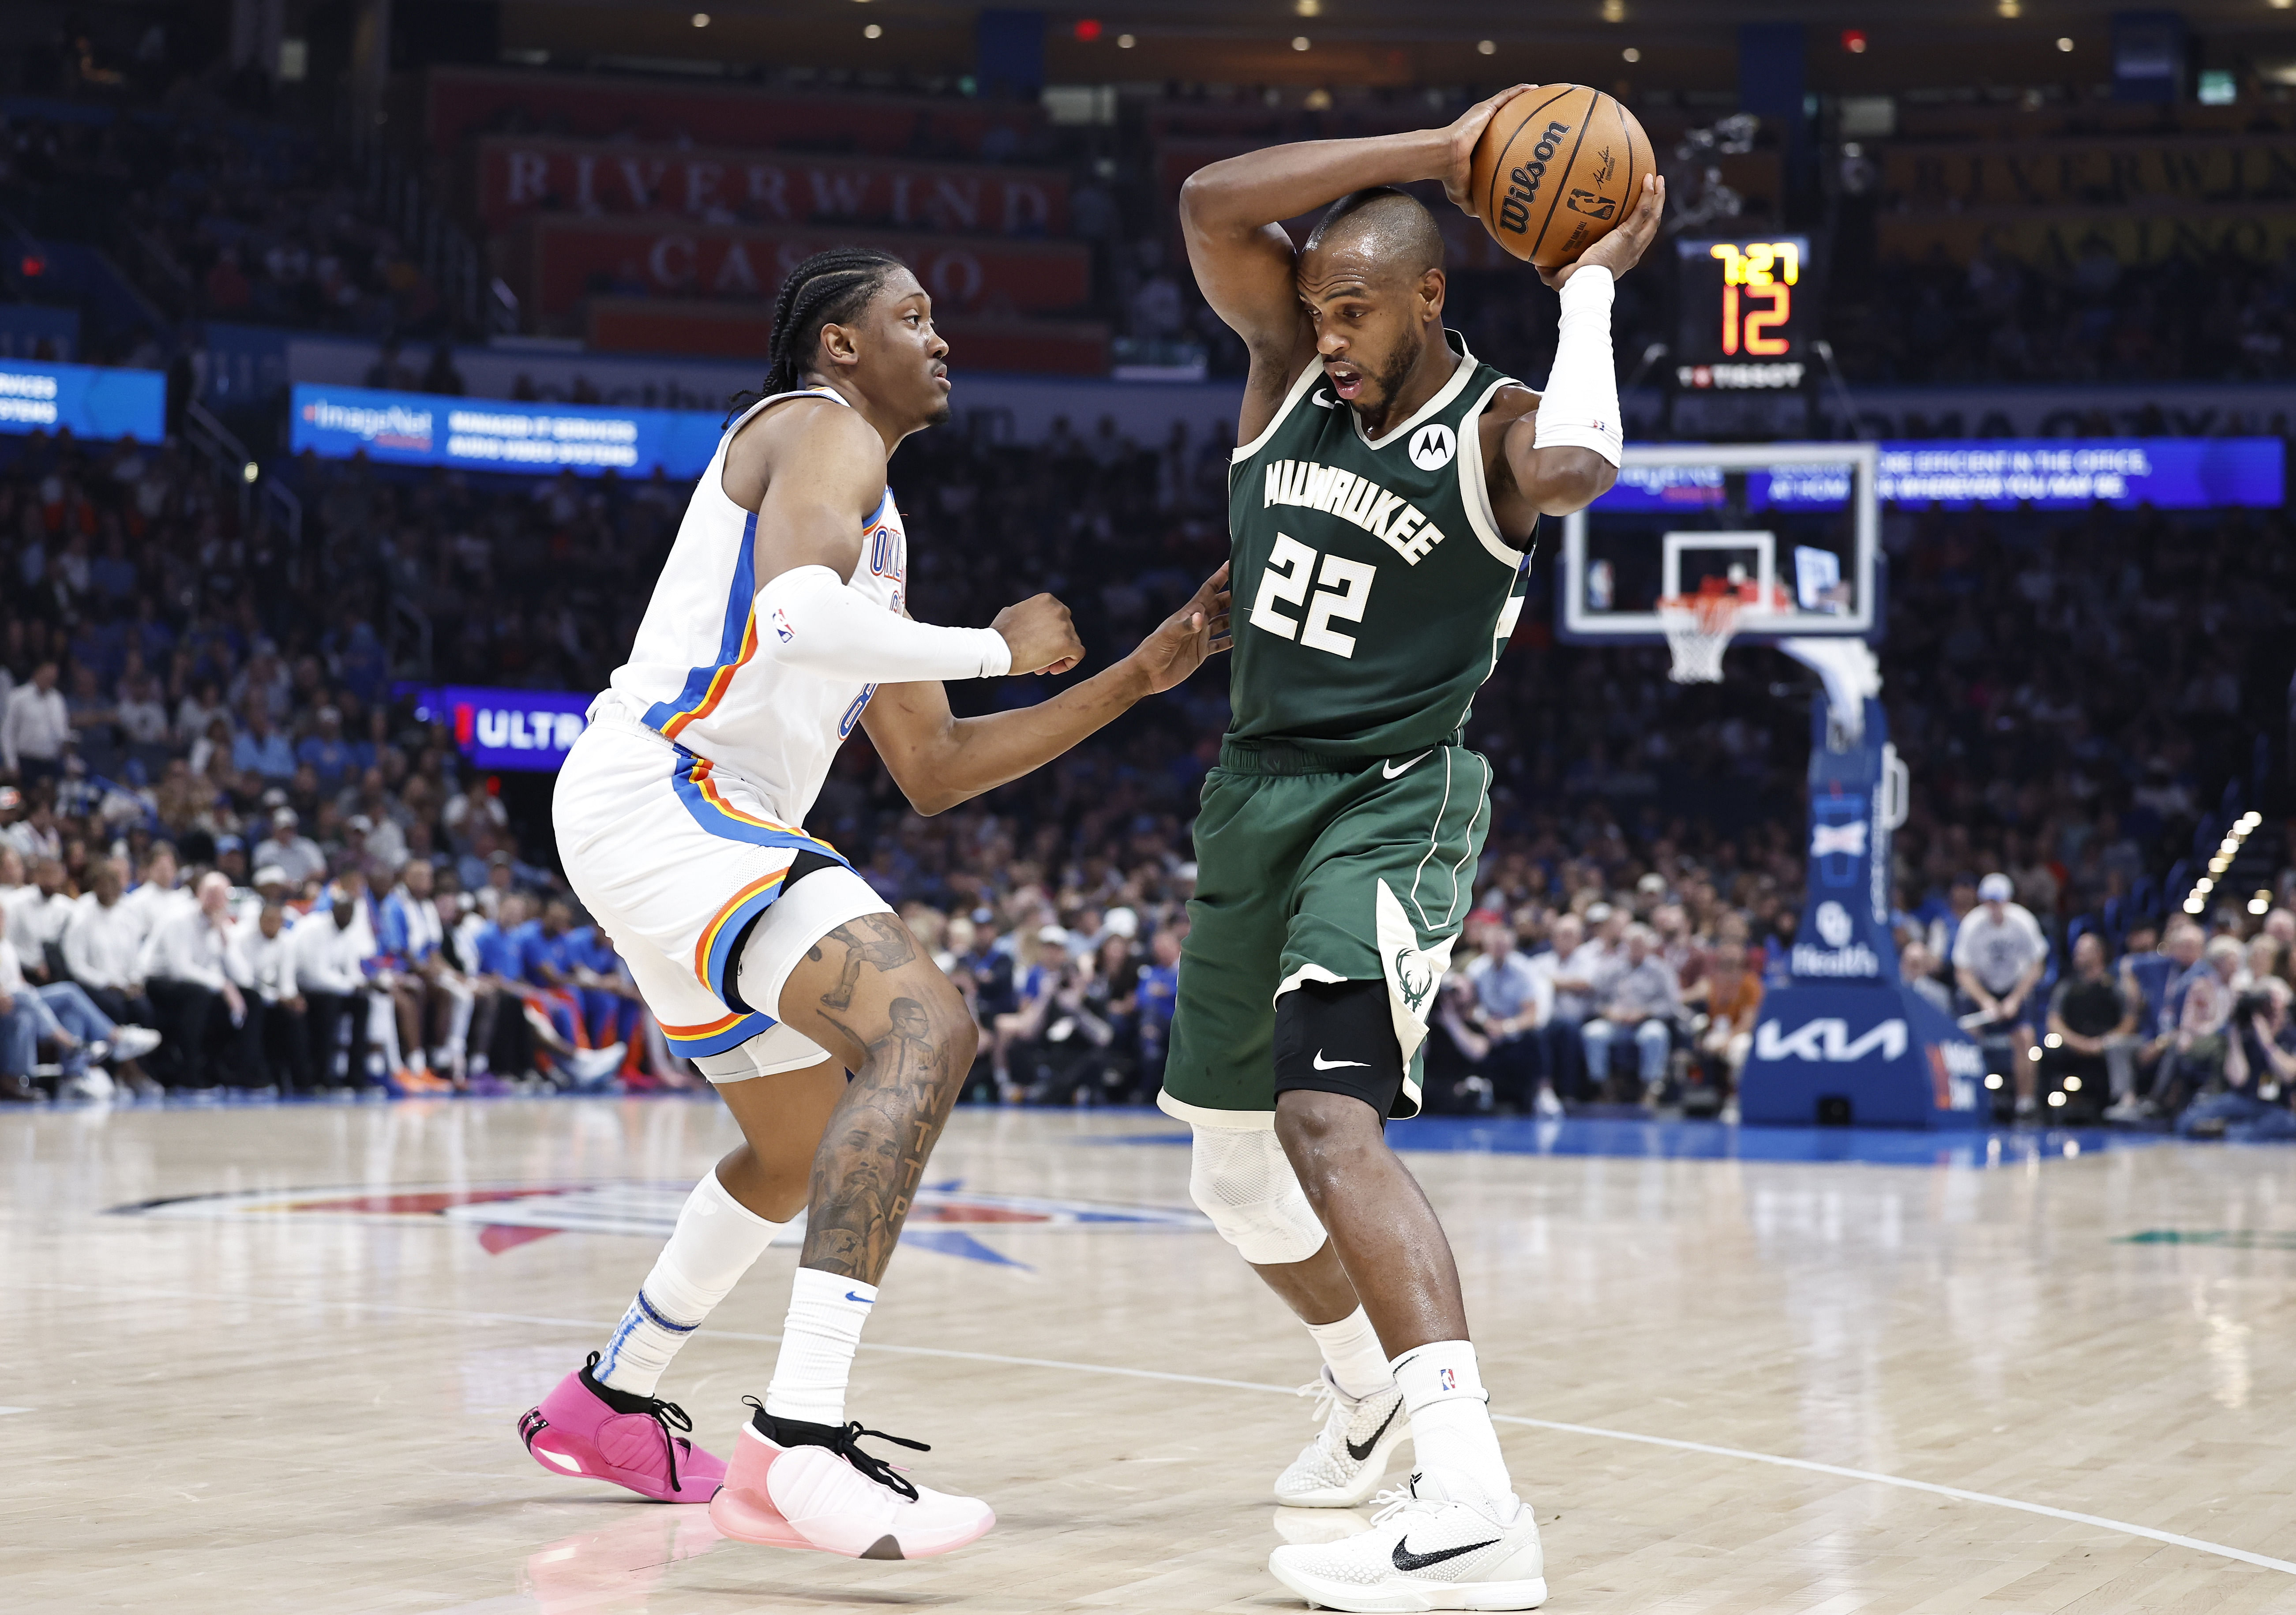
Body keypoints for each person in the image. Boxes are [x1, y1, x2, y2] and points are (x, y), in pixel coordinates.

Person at [525, 245, 1231, 1562]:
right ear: (841, 344)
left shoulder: (876, 537)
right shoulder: (818, 427)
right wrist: (996, 647)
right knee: (927, 1029)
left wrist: (1138, 675)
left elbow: (936, 766)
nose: (941, 337)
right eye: (914, 315)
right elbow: (793, 622)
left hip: (664, 820)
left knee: (791, 1148)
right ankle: (795, 1437)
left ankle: (607, 1396)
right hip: (674, 791)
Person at [1161, 87, 1661, 1610]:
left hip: (1393, 795)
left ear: (1431, 297)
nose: (1325, 330)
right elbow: (1207, 202)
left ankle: (1471, 1504)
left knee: (1327, 1124)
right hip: (1253, 792)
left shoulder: (1500, 426)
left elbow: (1583, 468)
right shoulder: (1282, 374)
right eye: (1315, 304)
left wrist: (1585, 292)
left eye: (1356, 305)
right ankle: (1365, 1388)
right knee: (1232, 1179)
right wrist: (1437, 154)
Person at [139, 871, 261, 1089]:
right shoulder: (179, 919)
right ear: (199, 894)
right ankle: (190, 1075)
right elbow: (180, 969)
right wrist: (223, 985)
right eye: (210, 893)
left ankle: (243, 1073)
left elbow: (244, 977)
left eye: (220, 895)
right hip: (158, 983)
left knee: (251, 998)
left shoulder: (221, 924)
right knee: (200, 996)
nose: (215, 900)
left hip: (196, 986)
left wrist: (224, 939)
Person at [1952, 871, 2051, 1118]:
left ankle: (2025, 1104)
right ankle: (1970, 1098)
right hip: (1981, 989)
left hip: (2013, 988)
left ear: (2007, 900)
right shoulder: (1972, 925)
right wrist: (1985, 1001)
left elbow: (2037, 966)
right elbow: (1963, 972)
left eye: (1998, 901)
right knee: (1966, 1036)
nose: (1994, 907)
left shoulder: (2023, 922)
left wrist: (2015, 1000)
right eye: (1989, 901)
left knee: (2026, 1038)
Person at [1580, 923, 1681, 1103]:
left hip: (1646, 1021)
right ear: (1624, 945)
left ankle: (1650, 1089)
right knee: (1593, 1034)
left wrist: (1645, 1012)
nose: (1636, 948)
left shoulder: (1661, 970)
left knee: (1655, 1035)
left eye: (1640, 944)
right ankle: (1604, 1088)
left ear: (1649, 946)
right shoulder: (1611, 968)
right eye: (1632, 944)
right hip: (1615, 1023)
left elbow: (1672, 1004)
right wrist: (1608, 1011)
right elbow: (1593, 999)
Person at [1461, 913, 1550, 1114]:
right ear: (1487, 946)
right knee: (1467, 1030)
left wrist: (1506, 1027)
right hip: (1489, 1028)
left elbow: (1532, 1014)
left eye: (1503, 945)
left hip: (1515, 1028)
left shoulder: (1524, 970)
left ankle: (1544, 1092)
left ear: (1511, 946)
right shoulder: (1477, 969)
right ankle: (1478, 1087)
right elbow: (1469, 1008)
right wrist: (1485, 1022)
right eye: (1494, 945)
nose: (1499, 949)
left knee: (1536, 1036)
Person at [2043, 933, 2133, 1116]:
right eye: (2077, 952)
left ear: (2098, 954)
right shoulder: (2067, 987)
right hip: (2074, 1043)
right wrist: (2079, 1043)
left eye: (2082, 952)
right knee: (2044, 1054)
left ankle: (2119, 1103)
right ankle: (2043, 1110)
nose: (2077, 956)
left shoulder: (2114, 986)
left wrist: (2105, 1042)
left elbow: (2130, 1019)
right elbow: (2054, 1021)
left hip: (2106, 1043)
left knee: (2117, 1050)